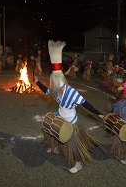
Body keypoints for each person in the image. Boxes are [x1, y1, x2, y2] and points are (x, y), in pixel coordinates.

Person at [33, 40, 105, 174]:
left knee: (72, 145)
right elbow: (47, 92)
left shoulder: (71, 92)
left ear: (56, 80)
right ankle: (55, 147)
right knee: (52, 129)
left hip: (70, 122)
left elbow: (85, 103)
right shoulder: (55, 89)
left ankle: (78, 164)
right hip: (60, 116)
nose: (51, 83)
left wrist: (98, 113)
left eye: (52, 81)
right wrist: (38, 83)